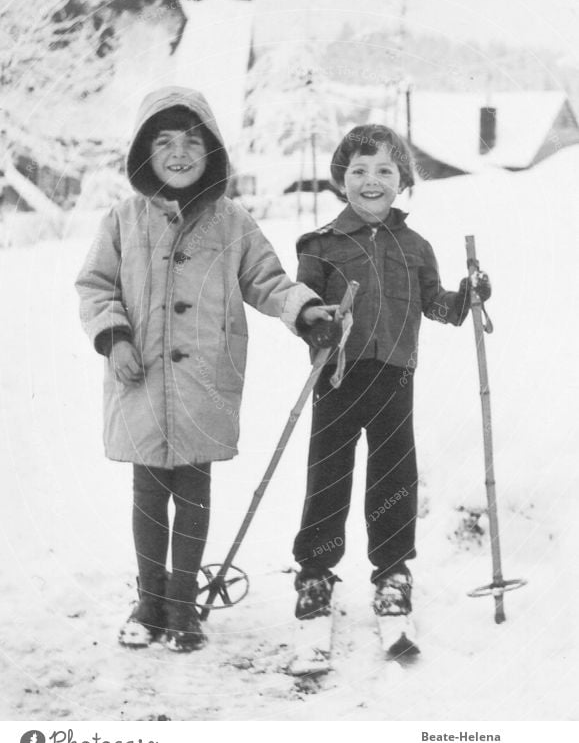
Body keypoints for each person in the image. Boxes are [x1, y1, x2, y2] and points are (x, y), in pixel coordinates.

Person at [76, 86, 332, 652]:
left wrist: (305, 310)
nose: (179, 153)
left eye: (192, 141)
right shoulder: (122, 220)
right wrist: (113, 335)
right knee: (148, 492)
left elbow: (267, 279)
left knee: (193, 490)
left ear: (211, 150)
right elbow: (95, 286)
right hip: (137, 378)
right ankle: (148, 600)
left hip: (204, 384)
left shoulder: (232, 222)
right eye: (164, 142)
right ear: (145, 152)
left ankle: (184, 603)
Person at [293, 124, 491, 620]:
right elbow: (302, 309)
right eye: (358, 170)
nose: (371, 180)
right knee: (328, 474)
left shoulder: (416, 246)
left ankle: (393, 572)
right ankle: (315, 573)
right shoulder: (319, 245)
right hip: (336, 377)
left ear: (401, 179)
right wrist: (316, 328)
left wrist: (467, 297)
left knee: (395, 477)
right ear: (342, 180)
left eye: (384, 169)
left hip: (395, 377)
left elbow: (436, 306)